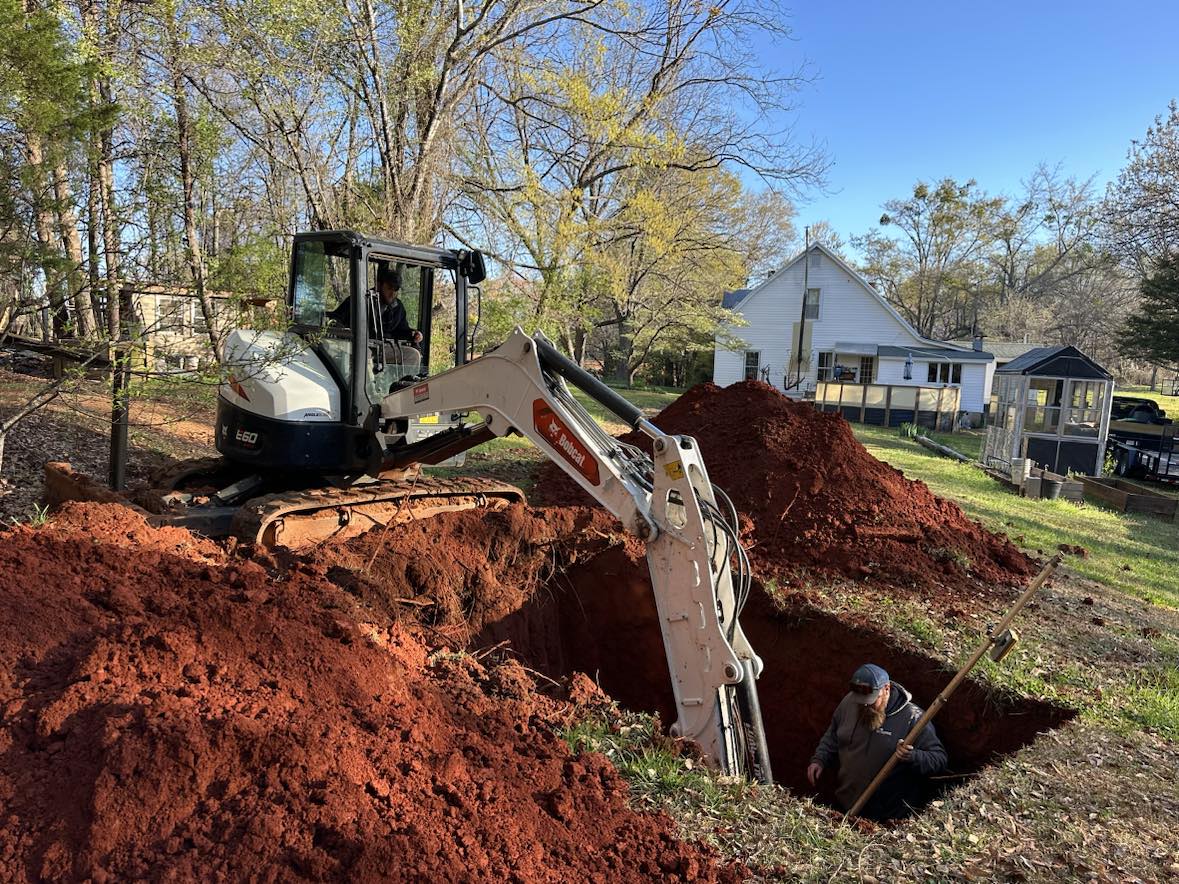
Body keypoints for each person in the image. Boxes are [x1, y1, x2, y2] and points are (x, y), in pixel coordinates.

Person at [807, 663, 947, 821]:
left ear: (886, 689)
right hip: (846, 802)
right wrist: (820, 758)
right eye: (860, 701)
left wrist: (912, 756)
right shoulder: (850, 703)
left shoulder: (913, 719)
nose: (865, 705)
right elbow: (833, 733)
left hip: (885, 816)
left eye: (871, 700)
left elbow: (939, 760)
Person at [328, 266, 422, 344]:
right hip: (357, 348)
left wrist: (413, 334)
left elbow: (402, 331)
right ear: (378, 285)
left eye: (396, 290)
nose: (392, 293)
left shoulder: (398, 308)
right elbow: (335, 319)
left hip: (384, 349)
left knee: (413, 355)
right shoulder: (359, 301)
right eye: (389, 288)